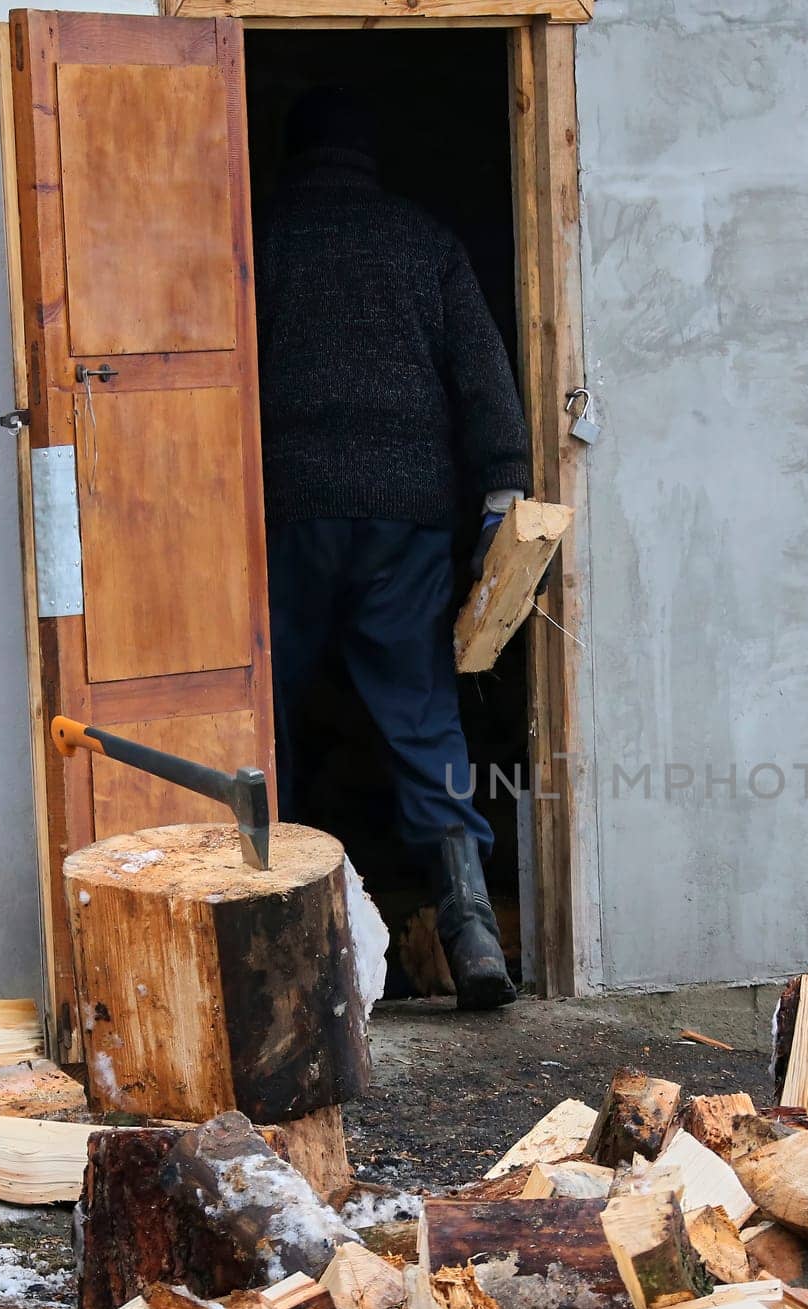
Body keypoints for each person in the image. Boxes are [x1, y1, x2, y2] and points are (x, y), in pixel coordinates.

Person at [255, 87, 527, 1010]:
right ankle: (473, 933)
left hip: (285, 509)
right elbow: (483, 372)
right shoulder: (423, 241)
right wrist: (502, 489)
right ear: (370, 156)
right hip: (406, 517)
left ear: (295, 153)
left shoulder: (263, 238)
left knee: (261, 717)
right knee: (420, 717)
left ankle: (265, 948)